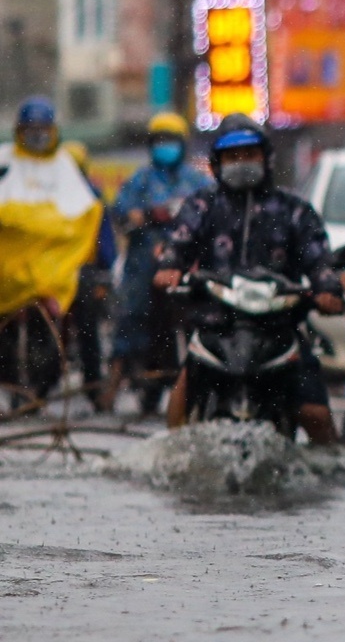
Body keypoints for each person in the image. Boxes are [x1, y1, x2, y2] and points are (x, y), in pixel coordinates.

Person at [151, 113, 344, 445]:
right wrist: (170, 267)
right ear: (218, 163)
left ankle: (334, 467)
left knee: (316, 414)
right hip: (215, 328)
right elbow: (178, 244)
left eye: (250, 154)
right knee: (180, 403)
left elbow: (318, 258)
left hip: (278, 330)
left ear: (265, 158)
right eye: (233, 156)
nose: (242, 163)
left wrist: (327, 289)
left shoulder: (294, 210)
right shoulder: (202, 205)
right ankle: (171, 458)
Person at [103, 113, 215, 414]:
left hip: (187, 263)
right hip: (146, 262)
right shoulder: (140, 180)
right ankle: (112, 385)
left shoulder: (198, 181)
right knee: (131, 314)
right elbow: (123, 211)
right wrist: (149, 215)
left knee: (204, 314)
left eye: (171, 140)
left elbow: (214, 213)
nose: (165, 146)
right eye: (160, 140)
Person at [0, 97, 103, 405]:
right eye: (30, 128)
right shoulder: (4, 161)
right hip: (9, 268)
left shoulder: (64, 166)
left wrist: (31, 223)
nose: (37, 135)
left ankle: (94, 384)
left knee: (87, 304)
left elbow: (83, 217)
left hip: (56, 269)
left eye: (43, 129)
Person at [62, 141, 118, 404]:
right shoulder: (48, 195)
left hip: (82, 272)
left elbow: (103, 238)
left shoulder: (91, 195)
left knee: (87, 327)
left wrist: (104, 269)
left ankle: (93, 384)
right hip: (52, 273)